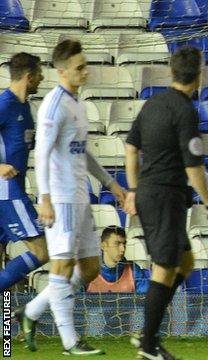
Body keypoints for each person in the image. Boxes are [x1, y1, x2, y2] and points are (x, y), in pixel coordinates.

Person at [17, 39, 126, 355]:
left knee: (90, 268)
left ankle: (31, 312)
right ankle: (70, 343)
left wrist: (110, 183)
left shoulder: (77, 102)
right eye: (80, 67)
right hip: (61, 199)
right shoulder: (54, 104)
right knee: (62, 269)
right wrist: (45, 198)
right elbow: (42, 152)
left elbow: (82, 152)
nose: (86, 71)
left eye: (85, 64)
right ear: (63, 71)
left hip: (80, 199)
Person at [123, 45, 208, 360]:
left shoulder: (153, 102)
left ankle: (149, 332)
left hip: (153, 193)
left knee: (186, 262)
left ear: (172, 70)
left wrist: (134, 189)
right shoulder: (185, 110)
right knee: (164, 268)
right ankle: (148, 343)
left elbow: (129, 147)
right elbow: (193, 167)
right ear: (199, 74)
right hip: (165, 196)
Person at [0, 53, 46, 290]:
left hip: (9, 192)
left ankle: (4, 326)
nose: (42, 77)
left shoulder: (25, 107)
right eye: (39, 74)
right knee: (42, 251)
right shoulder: (5, 105)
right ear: (29, 77)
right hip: (8, 194)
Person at [86, 225, 149, 294]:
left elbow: (144, 300)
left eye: (124, 244)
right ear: (103, 246)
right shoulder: (87, 271)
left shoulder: (134, 270)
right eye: (117, 243)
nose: (123, 249)